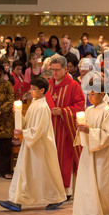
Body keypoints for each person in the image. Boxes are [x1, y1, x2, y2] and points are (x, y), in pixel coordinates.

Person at [0, 77, 67, 212]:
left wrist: (23, 132)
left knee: (44, 173)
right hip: (31, 143)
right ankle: (16, 200)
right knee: (25, 172)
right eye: (31, 88)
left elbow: (39, 130)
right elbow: (28, 124)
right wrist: (18, 115)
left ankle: (56, 197)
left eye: (34, 89)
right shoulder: (35, 103)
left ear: (42, 90)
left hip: (40, 145)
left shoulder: (42, 107)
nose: (31, 91)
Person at [72, 79, 109, 215]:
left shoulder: (107, 111)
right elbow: (85, 129)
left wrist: (89, 130)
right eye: (88, 94)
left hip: (104, 153)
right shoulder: (88, 111)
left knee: (104, 187)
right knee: (88, 185)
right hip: (89, 153)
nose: (90, 97)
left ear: (102, 94)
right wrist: (81, 129)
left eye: (93, 94)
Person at [48, 56, 85, 196]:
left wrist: (63, 111)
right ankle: (52, 189)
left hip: (66, 130)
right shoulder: (48, 85)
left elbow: (80, 106)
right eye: (52, 70)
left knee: (64, 158)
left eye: (57, 70)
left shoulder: (73, 85)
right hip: (50, 128)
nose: (54, 73)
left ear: (65, 69)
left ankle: (66, 191)